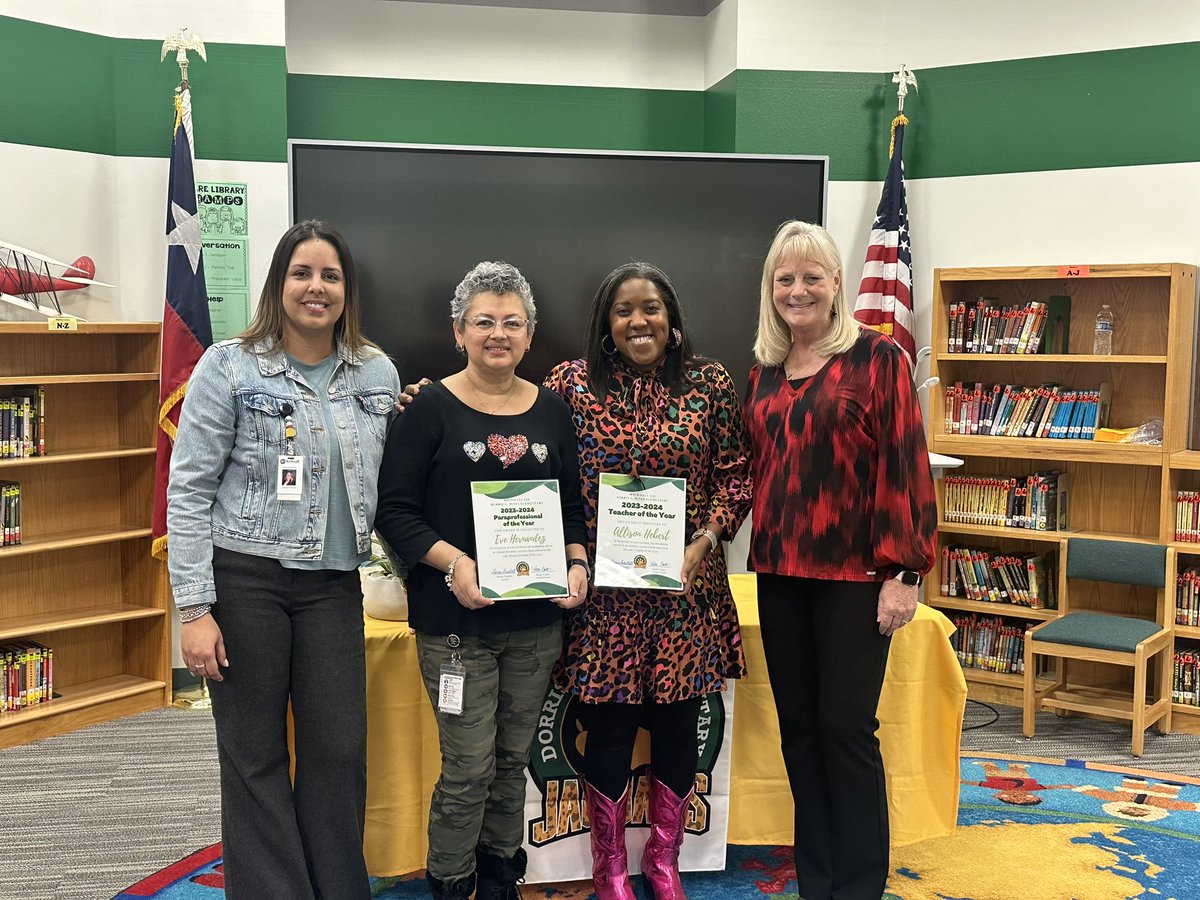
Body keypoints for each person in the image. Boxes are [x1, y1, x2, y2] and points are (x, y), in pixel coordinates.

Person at [167, 220, 401, 898]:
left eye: (330, 275)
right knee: (255, 755)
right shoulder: (229, 366)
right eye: (302, 273)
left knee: (338, 750)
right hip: (245, 583)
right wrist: (194, 609)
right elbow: (189, 489)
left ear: (347, 290)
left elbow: (391, 480)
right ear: (279, 283)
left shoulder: (377, 372)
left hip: (333, 588)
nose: (316, 287)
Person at [373, 261, 590, 900]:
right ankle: (451, 879)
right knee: (468, 767)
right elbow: (394, 512)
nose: (499, 334)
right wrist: (454, 563)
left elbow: (570, 506)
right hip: (456, 627)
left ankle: (498, 876)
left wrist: (577, 561)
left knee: (512, 763)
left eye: (512, 322)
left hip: (535, 625)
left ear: (530, 334)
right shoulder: (427, 410)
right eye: (484, 322)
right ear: (458, 332)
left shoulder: (553, 411)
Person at [742, 221, 937, 900]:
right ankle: (817, 880)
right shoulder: (763, 371)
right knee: (799, 732)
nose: (797, 290)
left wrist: (905, 573)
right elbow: (745, 470)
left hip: (856, 579)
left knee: (845, 730)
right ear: (771, 289)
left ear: (835, 284)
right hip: (779, 576)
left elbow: (905, 465)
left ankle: (856, 885)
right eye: (785, 278)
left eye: (811, 277)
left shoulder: (877, 358)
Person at [545, 262, 752, 900]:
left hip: (684, 593)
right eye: (624, 310)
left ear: (671, 318)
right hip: (604, 599)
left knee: (678, 728)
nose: (639, 321)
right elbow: (529, 446)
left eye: (652, 308)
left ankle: (664, 862)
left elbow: (736, 475)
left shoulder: (710, 383)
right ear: (606, 323)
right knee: (608, 730)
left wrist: (705, 541)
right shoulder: (569, 384)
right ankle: (609, 867)